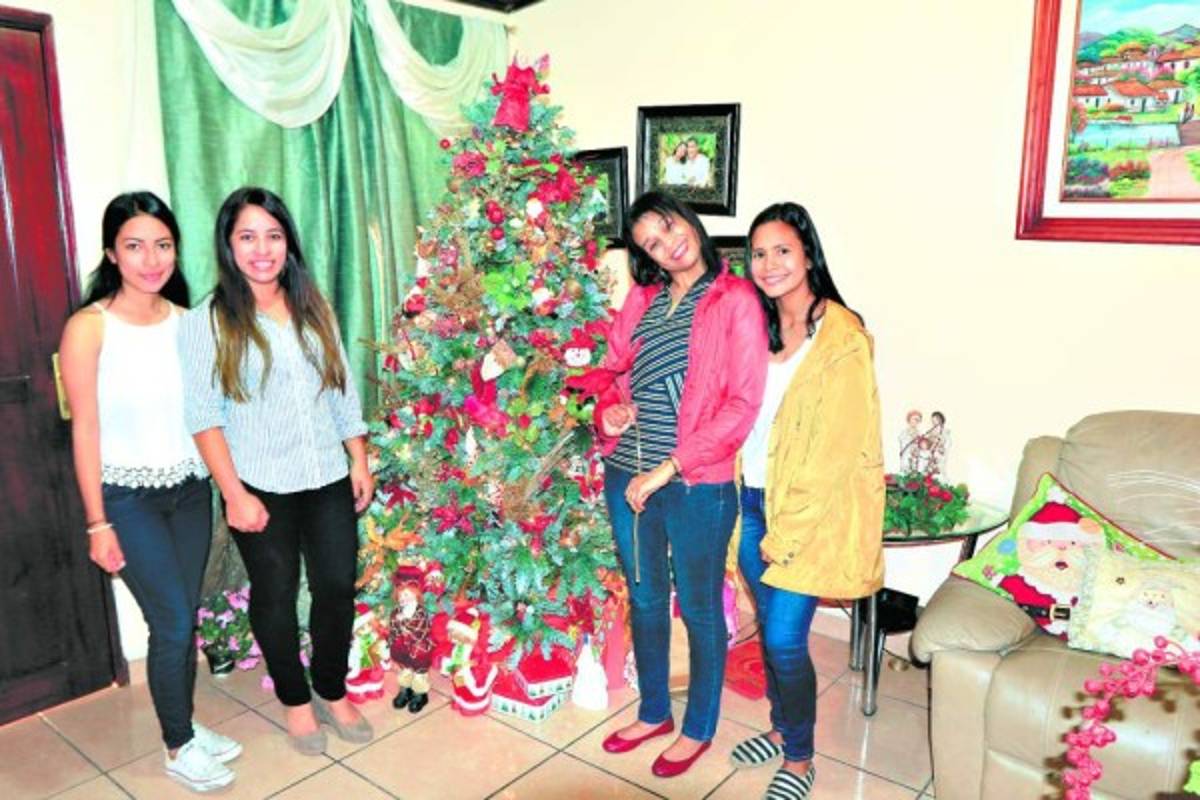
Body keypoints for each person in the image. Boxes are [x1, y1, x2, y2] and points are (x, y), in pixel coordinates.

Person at [179, 186, 375, 755]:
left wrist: (358, 457)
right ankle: (295, 700)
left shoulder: (315, 308)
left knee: (337, 586)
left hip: (327, 477)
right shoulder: (207, 322)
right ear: (229, 245)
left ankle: (331, 688)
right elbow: (203, 418)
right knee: (275, 594)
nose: (261, 249)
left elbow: (341, 388)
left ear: (287, 243)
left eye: (272, 235)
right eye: (247, 236)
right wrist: (234, 494)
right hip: (260, 486)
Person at [59, 192, 241, 792]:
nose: (151, 259)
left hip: (189, 493)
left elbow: (206, 414)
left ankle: (183, 722)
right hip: (126, 500)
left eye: (162, 245)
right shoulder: (88, 328)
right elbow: (84, 428)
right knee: (169, 624)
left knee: (181, 618)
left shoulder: (190, 324)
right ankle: (179, 744)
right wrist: (96, 523)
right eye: (135, 246)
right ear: (112, 253)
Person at [594, 191, 767, 778]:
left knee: (697, 606)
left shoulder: (735, 298)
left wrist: (668, 467)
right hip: (626, 471)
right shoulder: (641, 299)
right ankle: (652, 713)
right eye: (650, 244)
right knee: (643, 597)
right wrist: (611, 412)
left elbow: (741, 406)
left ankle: (697, 727)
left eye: (667, 227)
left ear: (687, 220)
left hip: (695, 482)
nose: (667, 244)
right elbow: (615, 376)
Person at [731, 202, 884, 800]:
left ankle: (799, 760)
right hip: (749, 499)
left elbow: (834, 453)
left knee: (786, 638)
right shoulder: (758, 327)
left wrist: (785, 533)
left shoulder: (842, 338)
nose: (769, 264)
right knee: (769, 627)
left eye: (783, 251)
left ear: (809, 254)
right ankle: (781, 725)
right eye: (760, 253)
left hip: (805, 514)